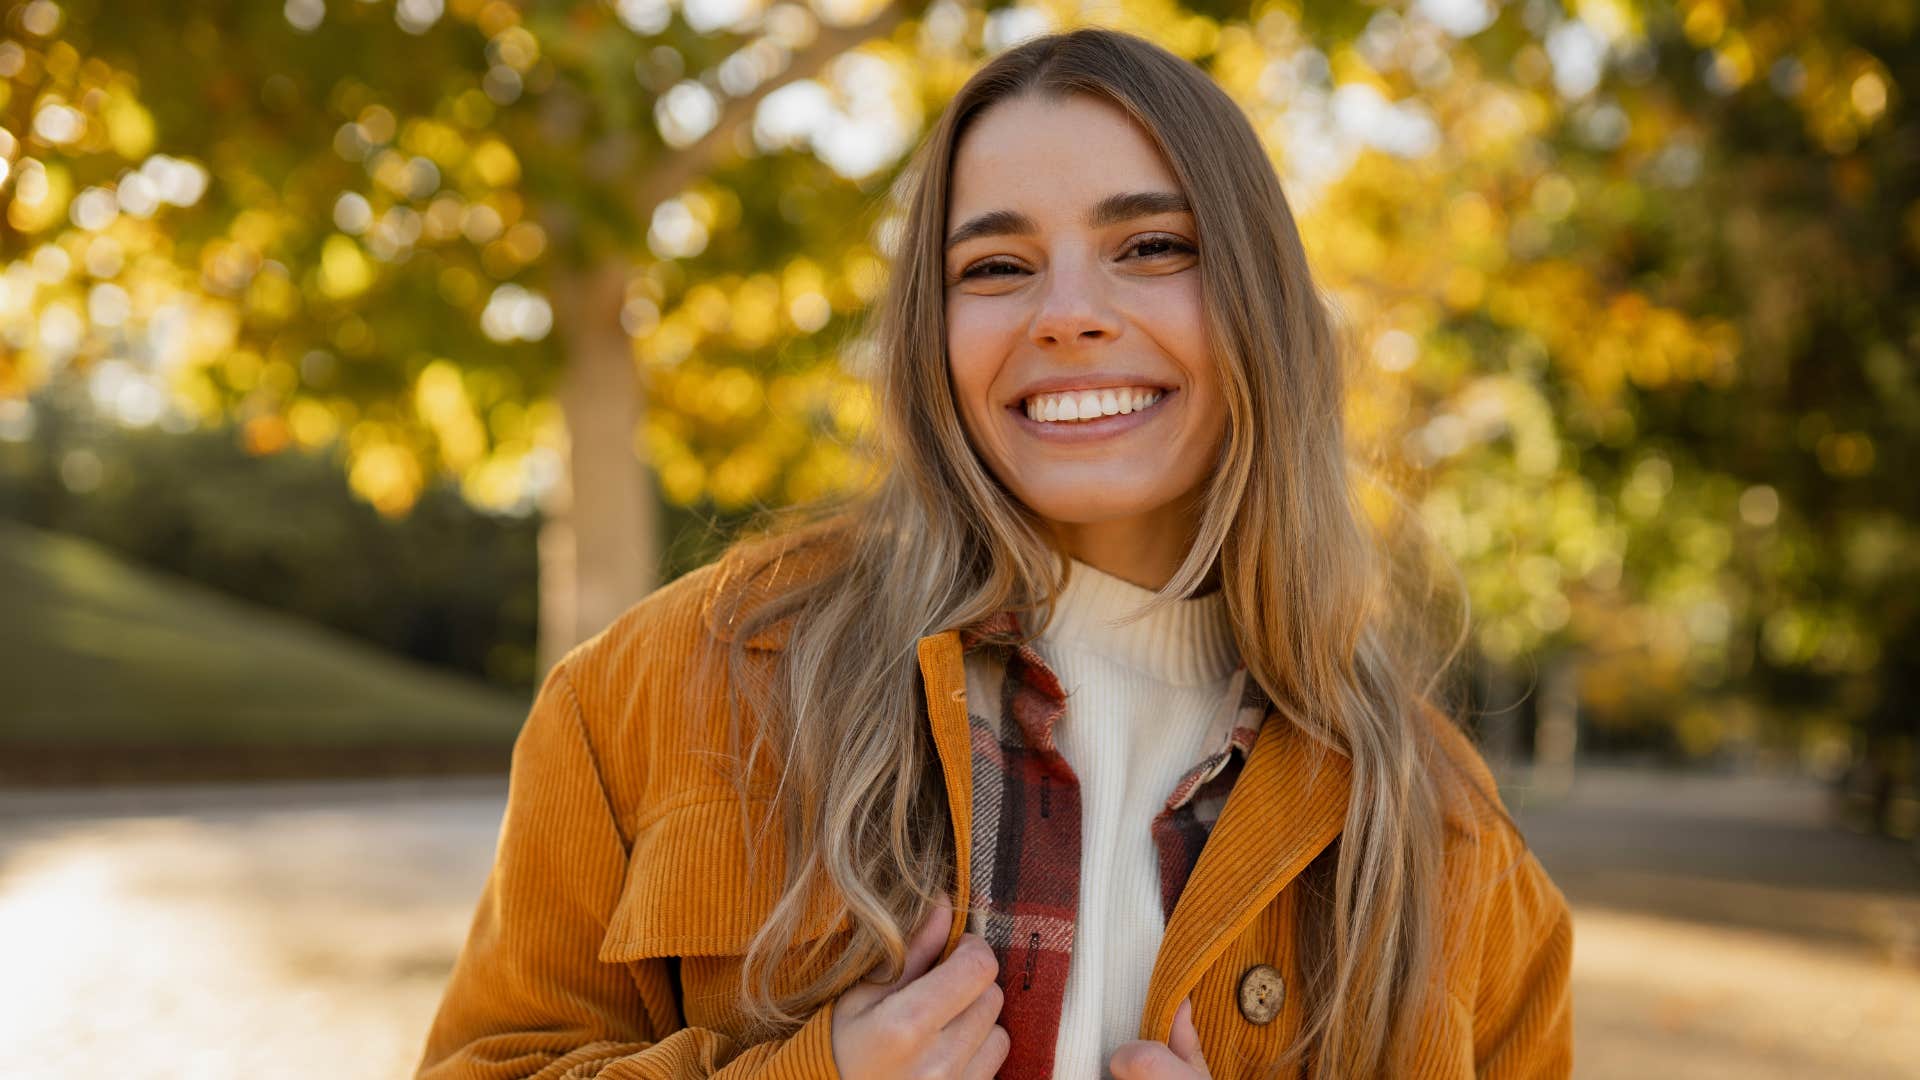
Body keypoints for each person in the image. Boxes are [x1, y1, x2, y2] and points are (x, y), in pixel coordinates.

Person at [415, 26, 1573, 1080]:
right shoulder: (660, 687)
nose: (1067, 313)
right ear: (934, 337)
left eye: (1153, 245)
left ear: (1261, 302)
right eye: (996, 268)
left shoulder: (1449, 836)